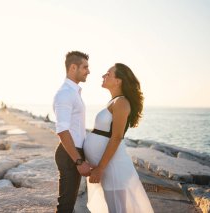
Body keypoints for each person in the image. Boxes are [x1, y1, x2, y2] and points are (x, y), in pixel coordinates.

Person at [83, 63, 154, 213]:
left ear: (118, 81)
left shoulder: (121, 102)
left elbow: (116, 137)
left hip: (114, 167)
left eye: (108, 74)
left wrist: (100, 168)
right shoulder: (114, 102)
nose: (103, 76)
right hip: (109, 166)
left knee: (117, 209)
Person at [53, 51, 92, 212]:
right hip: (70, 154)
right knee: (66, 205)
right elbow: (62, 131)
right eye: (85, 67)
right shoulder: (65, 94)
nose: (88, 71)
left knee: (69, 203)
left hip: (74, 152)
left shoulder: (73, 92)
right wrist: (78, 161)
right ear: (73, 68)